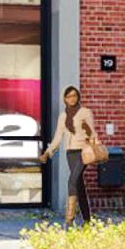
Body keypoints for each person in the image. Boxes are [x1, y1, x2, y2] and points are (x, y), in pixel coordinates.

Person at [40, 85, 97, 226]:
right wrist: (48, 152)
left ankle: (69, 220)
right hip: (70, 153)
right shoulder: (63, 116)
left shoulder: (85, 112)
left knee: (72, 181)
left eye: (74, 96)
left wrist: (90, 138)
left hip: (83, 151)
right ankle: (87, 220)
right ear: (65, 99)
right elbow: (58, 137)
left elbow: (93, 133)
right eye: (68, 96)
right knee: (78, 185)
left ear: (78, 97)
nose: (72, 99)